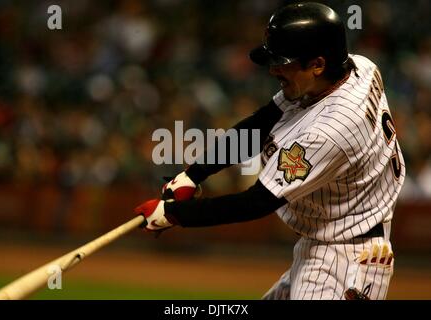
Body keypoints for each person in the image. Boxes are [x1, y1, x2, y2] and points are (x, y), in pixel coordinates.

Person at [133, 2, 405, 300]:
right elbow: (261, 123)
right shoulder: (358, 68)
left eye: (283, 61)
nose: (273, 68)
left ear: (317, 64)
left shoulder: (329, 130)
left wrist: (173, 214)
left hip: (344, 260)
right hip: (330, 243)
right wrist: (193, 175)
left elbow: (256, 202)